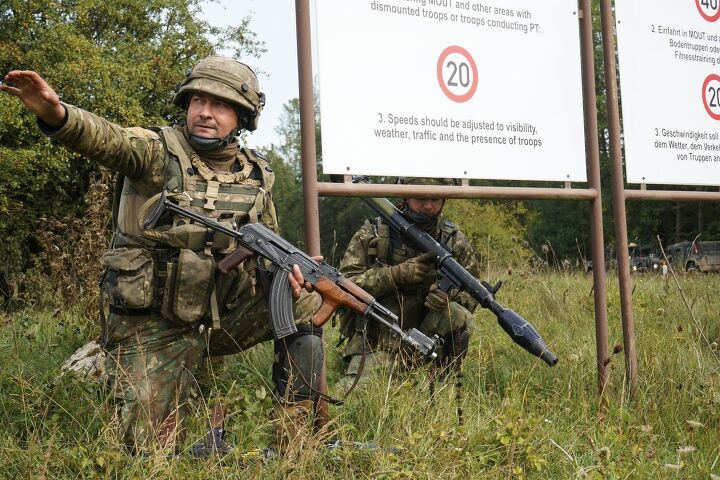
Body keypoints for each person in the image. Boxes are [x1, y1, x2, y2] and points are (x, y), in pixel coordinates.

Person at [1, 56, 324, 453]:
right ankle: (116, 370)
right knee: (150, 452)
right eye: (197, 101)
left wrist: (285, 272)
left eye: (219, 104)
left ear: (242, 116)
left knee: (306, 300)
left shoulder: (257, 174)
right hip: (152, 326)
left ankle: (295, 441)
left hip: (219, 318)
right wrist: (58, 114)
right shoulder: (156, 152)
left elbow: (268, 239)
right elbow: (108, 139)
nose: (204, 112)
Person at [337, 177, 480, 389]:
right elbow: (344, 284)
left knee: (458, 314)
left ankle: (444, 383)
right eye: (420, 198)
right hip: (378, 342)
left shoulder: (453, 238)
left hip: (430, 340)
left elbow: (473, 291)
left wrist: (448, 295)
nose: (428, 205)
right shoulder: (375, 232)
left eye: (435, 198)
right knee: (357, 399)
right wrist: (394, 276)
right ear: (405, 195)